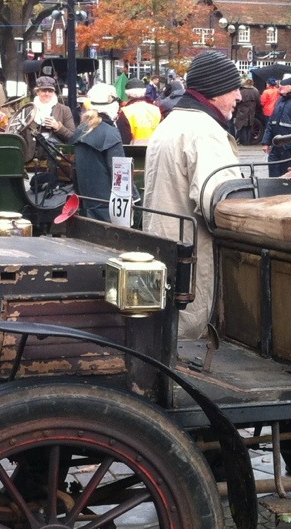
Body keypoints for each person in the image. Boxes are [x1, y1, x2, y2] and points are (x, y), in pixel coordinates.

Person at [143, 51, 243, 340]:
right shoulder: (204, 132)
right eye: (233, 89)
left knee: (167, 330)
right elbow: (219, 205)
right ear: (215, 90)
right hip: (191, 255)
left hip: (165, 245)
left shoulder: (171, 123)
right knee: (187, 334)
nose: (238, 96)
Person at [72, 83, 126, 222]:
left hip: (86, 203)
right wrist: (135, 199)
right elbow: (120, 174)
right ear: (113, 105)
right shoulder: (110, 133)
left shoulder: (81, 130)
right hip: (108, 208)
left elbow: (75, 170)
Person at [13, 76, 75, 160]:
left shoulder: (64, 110)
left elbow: (72, 136)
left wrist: (58, 127)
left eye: (50, 91)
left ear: (54, 92)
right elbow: (17, 134)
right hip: (30, 157)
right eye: (44, 90)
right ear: (37, 92)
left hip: (55, 157)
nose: (47, 94)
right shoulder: (27, 110)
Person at [261, 81, 291, 177]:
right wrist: (266, 142)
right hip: (276, 146)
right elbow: (271, 122)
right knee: (273, 174)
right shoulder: (280, 100)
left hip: (290, 149)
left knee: (286, 177)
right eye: (280, 84)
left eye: (284, 84)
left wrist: (288, 145)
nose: (280, 86)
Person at [233, 78, 261, 145]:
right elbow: (259, 102)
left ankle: (243, 142)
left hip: (242, 111)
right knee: (249, 126)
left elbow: (236, 101)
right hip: (251, 111)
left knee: (241, 126)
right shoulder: (255, 91)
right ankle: (248, 142)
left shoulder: (241, 91)